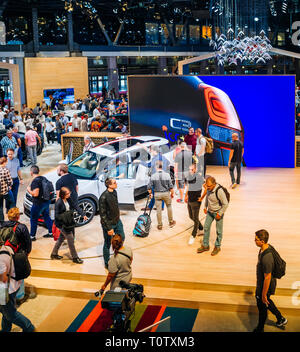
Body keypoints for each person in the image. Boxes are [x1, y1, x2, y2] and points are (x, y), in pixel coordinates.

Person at [253, 229, 288, 332]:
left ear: (262, 241)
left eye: (256, 240)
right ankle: (280, 318)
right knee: (266, 301)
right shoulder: (265, 248)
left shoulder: (267, 257)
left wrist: (263, 293)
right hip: (263, 283)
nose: (254, 241)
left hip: (265, 285)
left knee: (262, 305)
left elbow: (267, 277)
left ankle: (260, 328)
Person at [0, 241, 35, 332]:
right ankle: (5, 329)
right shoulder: (6, 248)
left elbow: (2, 279)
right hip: (14, 285)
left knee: (11, 314)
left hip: (5, 290)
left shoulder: (1, 259)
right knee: (5, 311)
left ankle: (29, 328)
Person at [0, 207, 32, 305]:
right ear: (18, 217)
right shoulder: (22, 227)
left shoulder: (1, 225)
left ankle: (4, 298)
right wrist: (27, 253)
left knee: (5, 274)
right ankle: (19, 296)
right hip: (17, 255)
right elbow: (27, 242)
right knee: (18, 275)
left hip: (4, 253)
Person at [51, 187, 86, 264]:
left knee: (60, 239)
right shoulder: (59, 202)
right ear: (63, 194)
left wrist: (83, 214)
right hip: (62, 225)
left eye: (69, 193)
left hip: (68, 222)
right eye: (67, 194)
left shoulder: (69, 199)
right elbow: (57, 216)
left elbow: (75, 206)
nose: (69, 195)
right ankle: (75, 257)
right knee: (70, 240)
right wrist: (67, 215)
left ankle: (54, 254)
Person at [197, 176, 229, 256]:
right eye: (206, 186)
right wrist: (205, 207)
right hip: (210, 212)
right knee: (206, 227)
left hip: (218, 213)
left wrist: (220, 213)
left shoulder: (219, 191)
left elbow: (225, 204)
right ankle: (205, 245)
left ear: (214, 184)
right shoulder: (208, 189)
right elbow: (207, 198)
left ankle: (217, 246)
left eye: (209, 186)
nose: (207, 188)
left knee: (219, 231)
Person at [99, 178, 125, 269]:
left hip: (117, 221)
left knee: (122, 237)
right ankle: (107, 263)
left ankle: (117, 257)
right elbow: (103, 215)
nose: (116, 183)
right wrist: (109, 228)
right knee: (107, 243)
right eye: (114, 183)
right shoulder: (103, 197)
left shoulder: (114, 192)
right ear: (109, 185)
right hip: (108, 224)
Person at [27, 165, 53, 241]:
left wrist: (29, 189)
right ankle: (51, 232)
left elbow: (35, 194)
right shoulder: (44, 178)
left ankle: (32, 236)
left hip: (38, 204)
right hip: (47, 202)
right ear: (38, 171)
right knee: (47, 217)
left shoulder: (35, 181)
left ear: (31, 173)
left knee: (33, 219)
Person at [148, 160, 176, 230]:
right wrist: (172, 193)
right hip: (166, 193)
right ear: (162, 167)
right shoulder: (167, 175)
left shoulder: (153, 176)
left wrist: (150, 193)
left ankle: (160, 225)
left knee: (158, 210)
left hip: (157, 194)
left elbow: (149, 187)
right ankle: (171, 222)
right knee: (169, 206)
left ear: (156, 167)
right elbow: (171, 186)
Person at [184, 163, 204, 245]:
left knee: (195, 219)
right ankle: (201, 227)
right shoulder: (189, 177)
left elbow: (206, 187)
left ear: (195, 169)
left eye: (192, 170)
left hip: (196, 201)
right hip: (189, 200)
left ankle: (193, 235)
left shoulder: (199, 177)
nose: (190, 171)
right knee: (191, 216)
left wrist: (202, 198)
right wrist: (186, 195)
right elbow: (188, 186)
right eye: (189, 170)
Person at [0, 157, 13, 221]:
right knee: (12, 203)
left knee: (0, 207)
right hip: (5, 191)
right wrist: (9, 186)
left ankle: (1, 222)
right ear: (5, 162)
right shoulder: (5, 170)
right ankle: (12, 219)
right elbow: (10, 182)